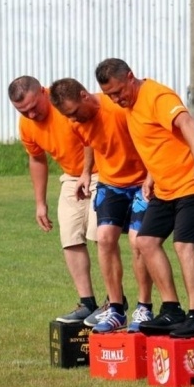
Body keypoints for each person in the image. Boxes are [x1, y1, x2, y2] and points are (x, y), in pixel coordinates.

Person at [94, 58, 194, 339]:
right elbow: (156, 142)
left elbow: (187, 122)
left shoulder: (156, 95)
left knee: (183, 245)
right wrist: (152, 177)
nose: (116, 99)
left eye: (118, 92)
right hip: (166, 187)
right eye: (110, 96)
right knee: (145, 241)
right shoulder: (130, 106)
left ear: (131, 76)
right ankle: (172, 310)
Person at [48, 77, 155, 333]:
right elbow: (88, 142)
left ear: (85, 95)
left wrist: (152, 175)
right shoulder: (76, 121)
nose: (73, 120)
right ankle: (116, 309)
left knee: (138, 241)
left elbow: (149, 137)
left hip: (140, 181)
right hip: (110, 183)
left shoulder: (118, 107)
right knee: (105, 238)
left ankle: (145, 307)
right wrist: (86, 173)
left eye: (74, 113)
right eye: (68, 116)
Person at [7, 75, 102, 324]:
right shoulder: (27, 125)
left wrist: (87, 173)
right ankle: (87, 303)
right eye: (22, 111)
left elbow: (89, 136)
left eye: (33, 107)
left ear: (43, 91)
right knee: (70, 237)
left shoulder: (64, 104)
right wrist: (40, 202)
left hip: (103, 171)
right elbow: (37, 158)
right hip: (72, 177)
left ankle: (115, 304)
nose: (31, 115)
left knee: (100, 235)